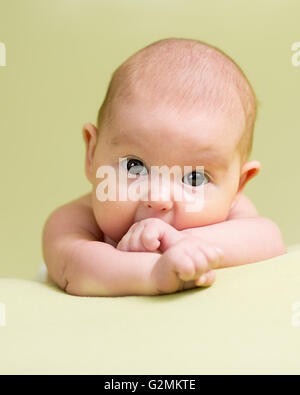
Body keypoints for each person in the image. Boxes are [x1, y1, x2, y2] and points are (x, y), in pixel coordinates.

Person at [42, 38, 286, 296]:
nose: (158, 199)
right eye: (135, 166)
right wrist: (155, 272)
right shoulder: (74, 220)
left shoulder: (233, 212)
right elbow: (78, 269)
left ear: (238, 184)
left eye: (195, 178)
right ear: (92, 153)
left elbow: (269, 240)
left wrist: (184, 244)